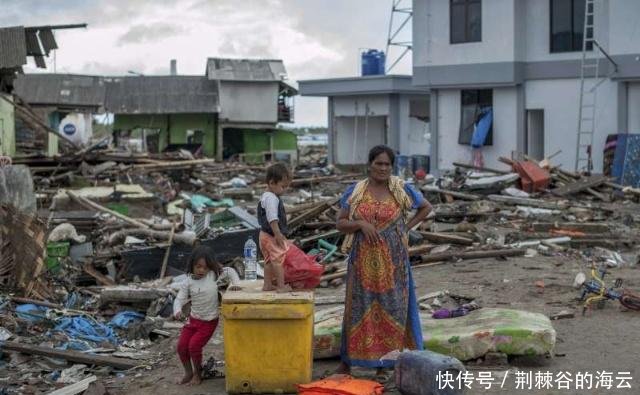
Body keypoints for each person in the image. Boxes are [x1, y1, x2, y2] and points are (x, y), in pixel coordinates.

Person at [335, 145, 432, 382]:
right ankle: (348, 362)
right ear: (369, 164)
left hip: (394, 262)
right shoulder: (357, 191)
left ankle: (384, 365)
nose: (383, 168)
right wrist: (360, 225)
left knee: (393, 309)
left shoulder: (400, 189)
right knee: (358, 309)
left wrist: (406, 228)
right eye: (378, 163)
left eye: (387, 164)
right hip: (361, 262)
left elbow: (426, 207)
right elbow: (340, 222)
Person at [174, 245, 240, 386]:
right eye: (198, 267)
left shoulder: (213, 275)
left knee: (194, 347)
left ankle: (198, 374)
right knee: (181, 347)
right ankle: (188, 373)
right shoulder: (188, 282)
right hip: (193, 320)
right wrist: (177, 311)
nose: (201, 270)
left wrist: (236, 284)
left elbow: (231, 271)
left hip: (209, 322)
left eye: (205, 267)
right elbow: (179, 299)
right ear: (192, 264)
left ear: (210, 266)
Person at [257, 162, 293, 292]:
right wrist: (278, 234)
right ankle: (281, 286)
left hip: (263, 235)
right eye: (283, 187)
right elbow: (272, 218)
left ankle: (267, 285)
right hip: (271, 235)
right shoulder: (272, 198)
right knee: (278, 260)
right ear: (272, 183)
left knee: (268, 261)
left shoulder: (266, 196)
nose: (285, 190)